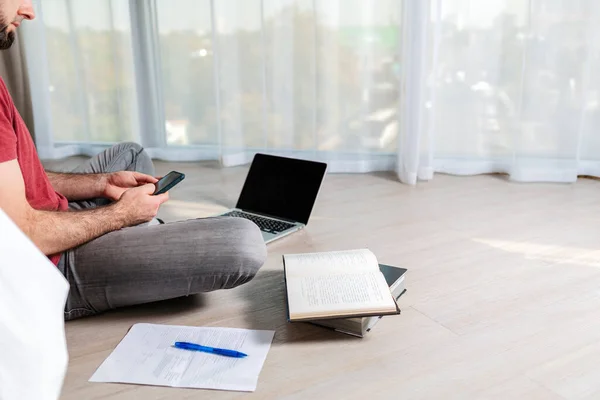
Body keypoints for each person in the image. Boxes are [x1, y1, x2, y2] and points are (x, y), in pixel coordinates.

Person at [0, 0, 267, 320]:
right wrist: (120, 215)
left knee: (131, 155)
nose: (29, 11)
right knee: (244, 242)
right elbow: (23, 236)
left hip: (47, 218)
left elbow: (19, 176)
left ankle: (135, 242)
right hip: (48, 263)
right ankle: (130, 245)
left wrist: (102, 182)